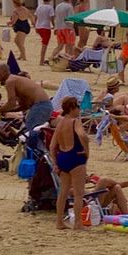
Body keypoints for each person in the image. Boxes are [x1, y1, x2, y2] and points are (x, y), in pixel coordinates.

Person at [48, 96, 89, 230]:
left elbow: (52, 146)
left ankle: (59, 221)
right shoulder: (75, 121)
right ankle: (78, 223)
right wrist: (86, 149)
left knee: (63, 192)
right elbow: (82, 135)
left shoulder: (60, 123)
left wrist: (55, 162)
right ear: (72, 108)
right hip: (75, 157)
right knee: (78, 193)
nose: (79, 110)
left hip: (63, 157)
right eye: (78, 107)